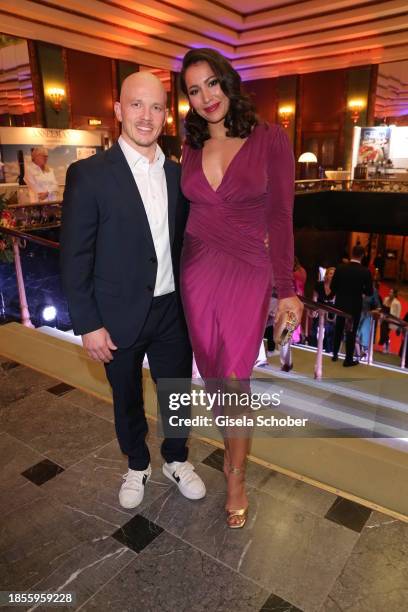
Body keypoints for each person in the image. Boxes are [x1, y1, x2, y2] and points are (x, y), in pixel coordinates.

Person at [60, 72, 206, 510]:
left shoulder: (182, 175)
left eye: (157, 107)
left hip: (171, 312)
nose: (147, 116)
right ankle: (138, 464)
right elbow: (74, 256)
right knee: (125, 397)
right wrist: (88, 324)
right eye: (137, 105)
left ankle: (176, 460)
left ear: (167, 115)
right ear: (119, 110)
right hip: (116, 315)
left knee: (176, 394)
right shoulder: (89, 175)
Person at [179, 48, 303, 527]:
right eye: (194, 90)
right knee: (213, 377)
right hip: (196, 270)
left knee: (235, 378)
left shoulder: (271, 138)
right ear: (187, 99)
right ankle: (232, 455)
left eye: (212, 83)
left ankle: (236, 475)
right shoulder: (189, 145)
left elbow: (282, 217)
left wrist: (286, 288)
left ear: (229, 82)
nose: (206, 97)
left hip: (247, 269)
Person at [331, 245, 373, 367]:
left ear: (351, 253)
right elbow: (369, 292)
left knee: (338, 328)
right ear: (363, 255)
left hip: (340, 303)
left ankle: (334, 355)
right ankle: (348, 359)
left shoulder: (340, 268)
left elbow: (333, 287)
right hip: (355, 305)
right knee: (351, 331)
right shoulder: (365, 271)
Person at [312, 266, 336, 353]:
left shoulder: (336, 287)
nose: (332, 276)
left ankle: (328, 349)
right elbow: (314, 297)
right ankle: (315, 346)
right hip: (319, 309)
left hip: (331, 311)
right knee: (316, 328)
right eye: (330, 273)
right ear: (326, 275)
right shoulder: (319, 284)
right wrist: (314, 309)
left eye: (334, 274)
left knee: (329, 329)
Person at [356, 281, 381, 361]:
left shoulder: (373, 291)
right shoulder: (357, 287)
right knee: (355, 335)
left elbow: (378, 307)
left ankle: (364, 352)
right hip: (355, 314)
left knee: (363, 334)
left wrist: (373, 312)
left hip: (367, 316)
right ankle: (359, 354)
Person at [379, 288, 402, 353]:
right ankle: (387, 343)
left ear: (394, 294)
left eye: (391, 292)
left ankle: (386, 347)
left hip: (390, 320)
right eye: (389, 292)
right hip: (384, 318)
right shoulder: (386, 299)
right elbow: (383, 308)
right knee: (383, 333)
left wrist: (397, 323)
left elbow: (398, 314)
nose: (389, 293)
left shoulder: (397, 303)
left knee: (385, 333)